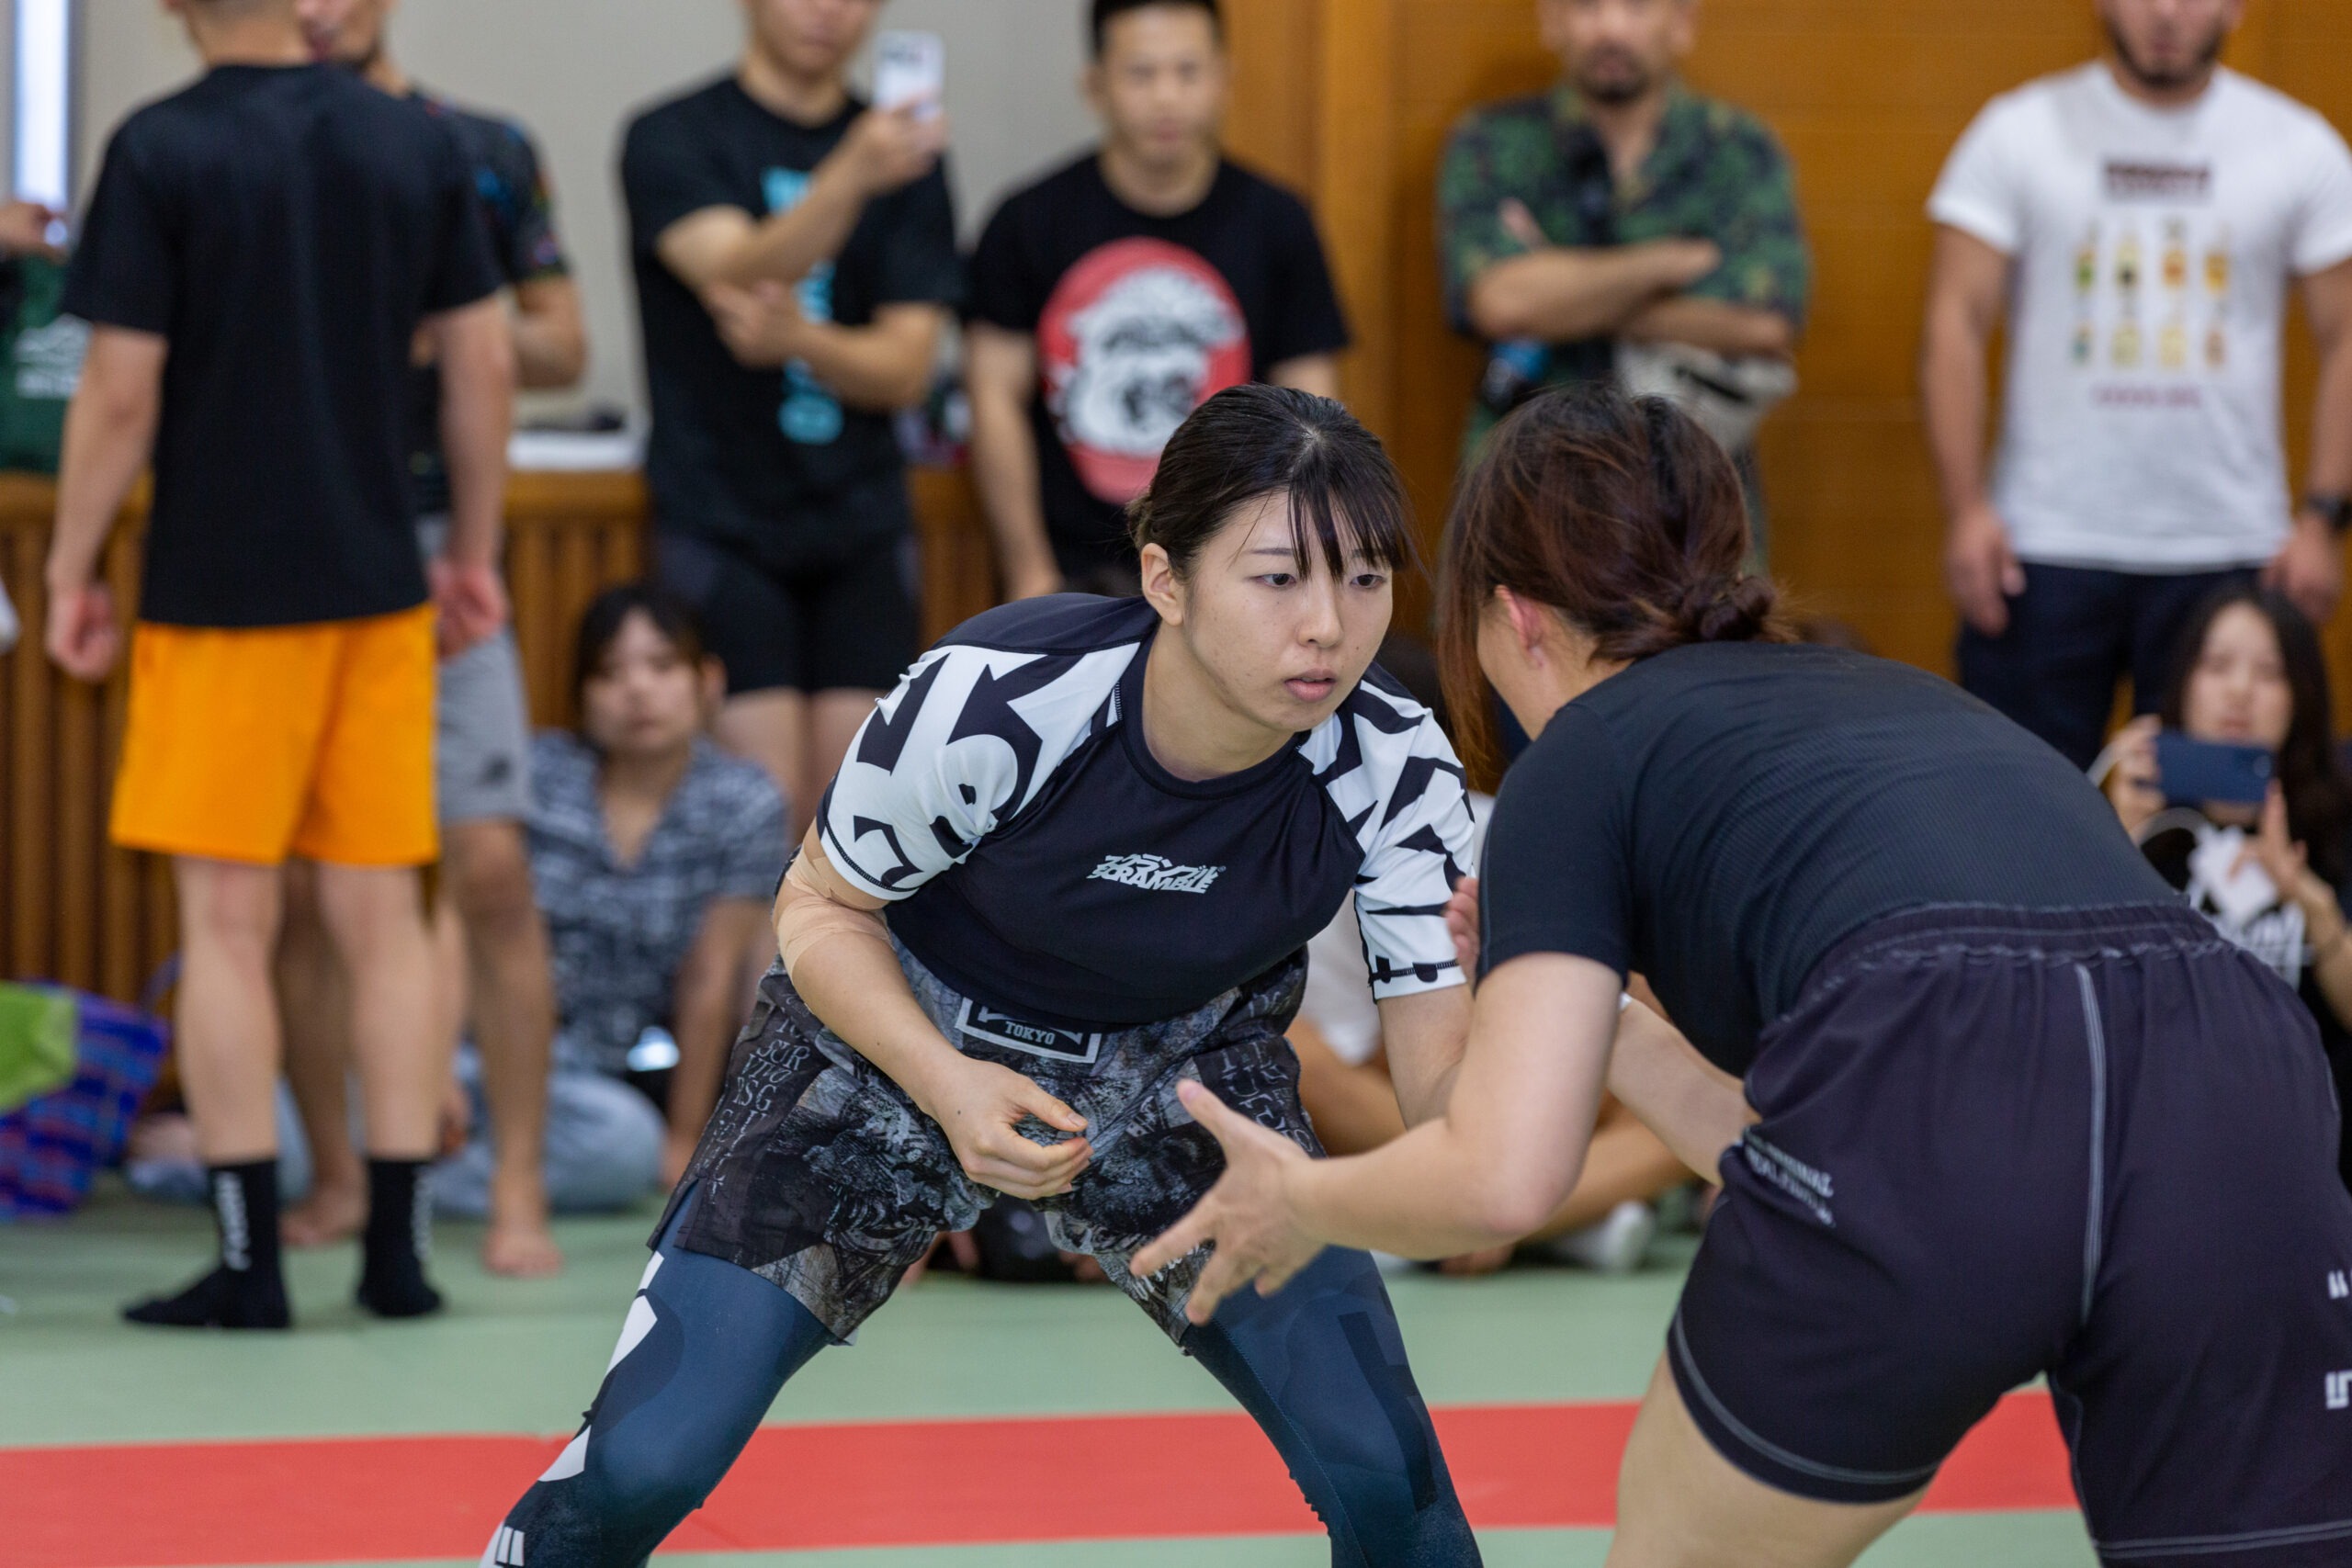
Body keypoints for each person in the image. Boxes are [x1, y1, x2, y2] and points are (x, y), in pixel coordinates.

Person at [1141, 385, 2352, 1568]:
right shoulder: (1900, 702)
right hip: (2240, 1067)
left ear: (1513, 617)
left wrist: (1302, 1201)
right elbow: (1842, 1128)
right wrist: (1611, 1024)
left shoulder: (1584, 753)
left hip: (1947, 1064)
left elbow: (1505, 1176)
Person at [484, 386, 1498, 1564]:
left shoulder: (1394, 764)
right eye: (1278, 578)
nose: (1328, 625)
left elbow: (1449, 1111)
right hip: (888, 1048)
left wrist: (1561, 1013)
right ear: (1166, 580)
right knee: (641, 1467)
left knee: (1392, 1483)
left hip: (1187, 1079)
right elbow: (818, 906)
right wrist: (945, 1081)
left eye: (1366, 579)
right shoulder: (1002, 694)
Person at [42, 0, 510, 1328]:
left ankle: (251, 1262)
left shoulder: (160, 148)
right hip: (378, 585)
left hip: (219, 595)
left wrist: (72, 566)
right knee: (387, 921)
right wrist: (473, 548)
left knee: (227, 929)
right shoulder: (409, 141)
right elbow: (481, 361)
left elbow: (119, 390)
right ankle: (398, 1257)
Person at [276, 0, 590, 1279]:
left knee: (491, 871)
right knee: (298, 893)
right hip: (284, 554)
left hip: (441, 549)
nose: (316, 11)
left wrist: (441, 321)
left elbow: (560, 342)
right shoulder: (246, 143)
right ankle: (338, 1177)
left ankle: (516, 1184)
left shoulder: (482, 148)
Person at [1923, 0, 2352, 770]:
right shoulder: (2016, 132)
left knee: (2209, 812)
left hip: (2229, 545)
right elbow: (1954, 320)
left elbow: (2346, 332)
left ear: (2235, 7)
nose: (2165, 11)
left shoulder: (2299, 145)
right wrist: (1966, 508)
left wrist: (2324, 517)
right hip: (2042, 543)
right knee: (2023, 802)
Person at [622, 0, 960, 835]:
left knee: (857, 817)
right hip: (721, 516)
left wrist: (801, 339)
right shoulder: (672, 136)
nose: (828, 11)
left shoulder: (906, 155)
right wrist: (850, 176)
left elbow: (906, 368)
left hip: (861, 519)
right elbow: (735, 270)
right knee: (759, 812)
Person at [966, 0, 1351, 599]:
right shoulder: (1028, 221)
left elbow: (1314, 411)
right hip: (1071, 571)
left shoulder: (1278, 222)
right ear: (1095, 85)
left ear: (1224, 79)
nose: (1166, 97)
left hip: (1232, 572)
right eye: (1141, 73)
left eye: (1188, 71)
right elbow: (993, 396)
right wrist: (1029, 572)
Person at [430, 584, 788, 1216]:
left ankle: (412, 1187)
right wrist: (432, 1065)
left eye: (661, 665)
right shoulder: (536, 774)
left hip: (582, 1085)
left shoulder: (745, 802)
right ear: (582, 695)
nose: (637, 690)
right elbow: (458, 920)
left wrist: (683, 1138)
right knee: (308, 1129)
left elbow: (709, 980)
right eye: (609, 673)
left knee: (625, 1146)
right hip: (472, 1047)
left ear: (707, 680)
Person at [1439, 0, 1806, 532]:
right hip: (1526, 490)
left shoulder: (1739, 151)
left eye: (1637, 6)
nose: (1611, 28)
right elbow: (1500, 303)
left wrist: (1557, 290)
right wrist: (1670, 263)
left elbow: (1765, 321)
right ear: (1551, 20)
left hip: (1692, 496)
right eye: (1586, 6)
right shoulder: (1493, 142)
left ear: (1682, 22)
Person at [2103, 583, 2352, 1191]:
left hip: (2310, 1154)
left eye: (2268, 672)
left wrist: (2307, 898)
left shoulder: (2335, 825)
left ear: (2301, 693)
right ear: (2183, 684)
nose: (2239, 690)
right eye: (2217, 665)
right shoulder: (2145, 831)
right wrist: (2117, 845)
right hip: (2162, 1149)